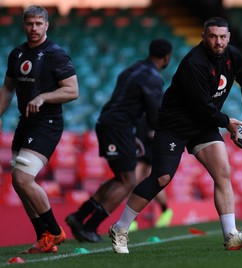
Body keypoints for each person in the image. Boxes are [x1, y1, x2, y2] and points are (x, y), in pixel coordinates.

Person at [109, 16, 242, 254]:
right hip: (175, 124)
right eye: (212, 36)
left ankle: (231, 235)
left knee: (222, 172)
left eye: (222, 37)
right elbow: (202, 106)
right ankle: (120, 228)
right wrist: (229, 123)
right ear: (203, 37)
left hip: (203, 124)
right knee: (161, 178)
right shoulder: (195, 63)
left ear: (228, 37)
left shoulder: (233, 55)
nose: (218, 42)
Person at [65, 39, 173, 243]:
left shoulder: (131, 70)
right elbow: (154, 116)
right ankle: (89, 226)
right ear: (166, 57)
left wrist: (132, 136)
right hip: (118, 127)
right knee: (128, 182)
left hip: (110, 123)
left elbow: (123, 103)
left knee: (120, 177)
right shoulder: (153, 78)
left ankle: (79, 217)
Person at [0, 5, 79, 253]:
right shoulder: (17, 55)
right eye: (29, 24)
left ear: (46, 25)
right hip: (25, 123)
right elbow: (7, 89)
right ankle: (43, 237)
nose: (33, 28)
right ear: (24, 25)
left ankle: (55, 232)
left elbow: (72, 90)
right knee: (18, 181)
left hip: (48, 123)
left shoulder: (56, 54)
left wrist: (43, 97)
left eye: (38, 24)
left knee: (24, 177)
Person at [129, 116, 173, 232]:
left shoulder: (156, 108)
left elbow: (168, 127)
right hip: (139, 150)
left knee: (154, 183)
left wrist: (158, 134)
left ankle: (165, 211)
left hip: (152, 150)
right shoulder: (138, 110)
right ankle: (132, 220)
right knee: (132, 183)